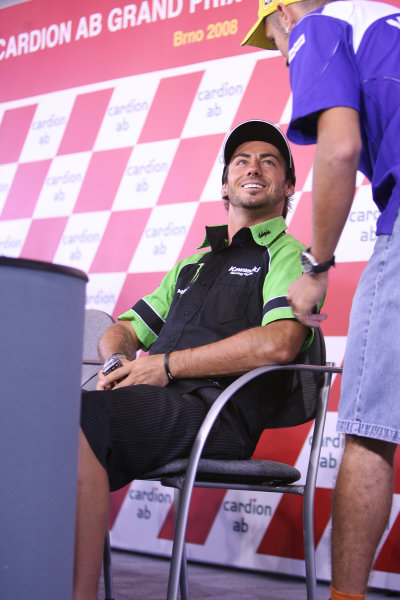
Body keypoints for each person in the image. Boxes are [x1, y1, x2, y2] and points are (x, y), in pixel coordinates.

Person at [73, 119, 315, 600]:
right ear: (224, 183)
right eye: (241, 161)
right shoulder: (193, 262)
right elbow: (122, 329)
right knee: (44, 426)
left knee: (77, 420)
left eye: (269, 161)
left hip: (216, 416)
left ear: (289, 184)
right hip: (156, 403)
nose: (253, 167)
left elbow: (281, 342)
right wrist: (116, 365)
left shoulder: (289, 255)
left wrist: (162, 367)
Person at [242, 2, 400, 599]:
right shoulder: (383, 21)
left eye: (272, 39)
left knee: (368, 427)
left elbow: (338, 150)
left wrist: (316, 267)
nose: (281, 51)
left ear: (282, 14)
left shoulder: (319, 25)